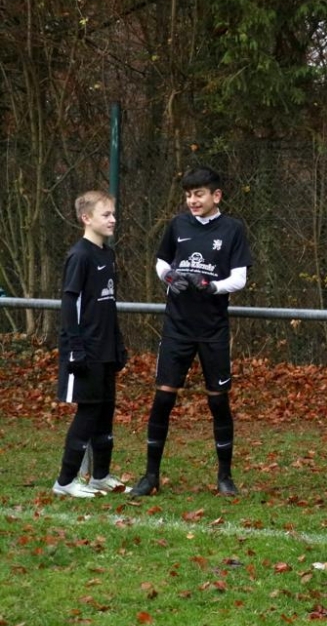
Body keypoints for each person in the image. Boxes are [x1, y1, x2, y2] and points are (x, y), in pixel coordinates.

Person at [131, 166, 253, 497]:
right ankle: (150, 476)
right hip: (177, 327)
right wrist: (169, 277)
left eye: (199, 194)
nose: (192, 200)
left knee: (218, 402)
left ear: (216, 196)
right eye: (188, 195)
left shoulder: (232, 229)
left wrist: (211, 286)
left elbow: (240, 278)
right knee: (163, 398)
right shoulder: (177, 225)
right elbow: (161, 262)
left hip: (213, 329)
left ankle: (225, 477)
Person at [52, 190, 130, 498]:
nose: (113, 219)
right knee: (88, 413)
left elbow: (107, 305)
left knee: (105, 411)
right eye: (106, 214)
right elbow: (70, 304)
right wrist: (76, 347)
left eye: (113, 214)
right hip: (86, 350)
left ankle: (100, 476)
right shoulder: (80, 256)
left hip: (106, 349)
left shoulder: (107, 254)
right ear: (86, 218)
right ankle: (65, 481)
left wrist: (118, 343)